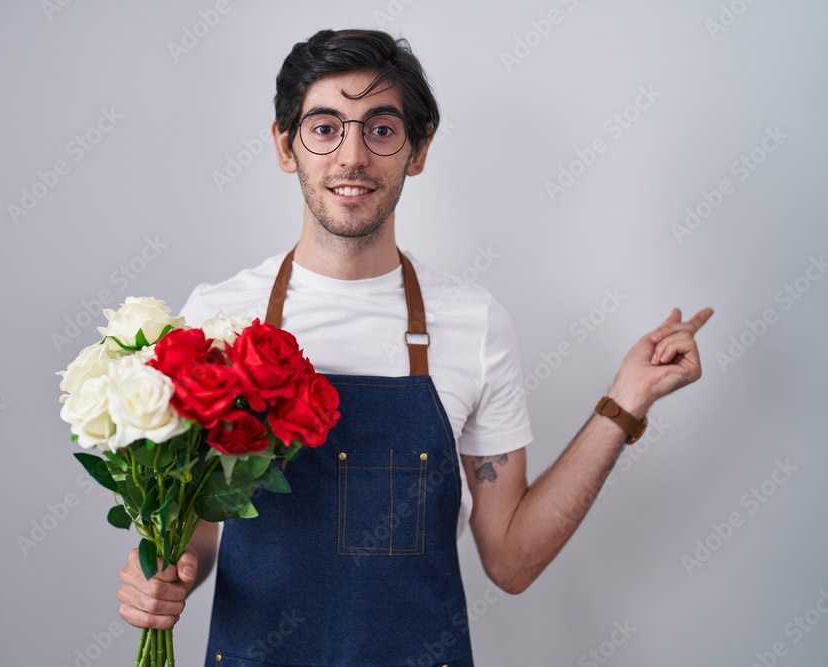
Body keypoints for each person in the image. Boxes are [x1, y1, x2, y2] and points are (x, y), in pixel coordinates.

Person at [117, 28, 712, 666]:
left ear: (418, 150)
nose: (351, 157)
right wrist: (165, 574)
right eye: (324, 128)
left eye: (381, 129)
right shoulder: (215, 319)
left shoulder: (474, 323)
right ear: (286, 146)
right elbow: (199, 528)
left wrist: (624, 404)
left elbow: (512, 559)